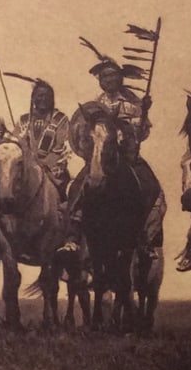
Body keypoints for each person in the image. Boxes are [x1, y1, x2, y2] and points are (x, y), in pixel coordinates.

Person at [61, 50, 164, 258]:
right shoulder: (93, 106)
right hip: (100, 156)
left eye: (112, 76)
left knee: (154, 190)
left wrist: (143, 115)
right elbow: (82, 132)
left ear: (120, 78)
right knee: (77, 187)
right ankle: (73, 236)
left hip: (127, 156)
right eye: (104, 77)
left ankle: (147, 239)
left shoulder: (133, 103)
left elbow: (143, 132)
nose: (108, 80)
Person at [14, 78, 73, 195]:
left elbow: (60, 147)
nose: (43, 99)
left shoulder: (60, 119)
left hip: (51, 169)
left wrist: (43, 164)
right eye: (39, 96)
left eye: (47, 96)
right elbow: (15, 146)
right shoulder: (23, 120)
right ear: (33, 98)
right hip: (27, 170)